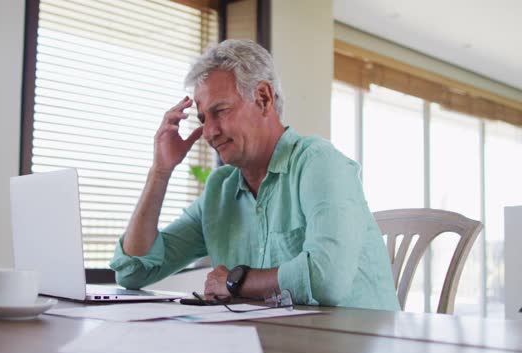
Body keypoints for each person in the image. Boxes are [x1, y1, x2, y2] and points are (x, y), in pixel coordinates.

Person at [109, 39, 400, 310]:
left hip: (359, 344)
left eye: (220, 111)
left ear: (263, 98)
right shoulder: (220, 191)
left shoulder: (319, 163)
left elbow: (328, 279)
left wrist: (236, 281)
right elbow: (133, 272)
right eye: (202, 119)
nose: (209, 132)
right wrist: (160, 172)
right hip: (278, 342)